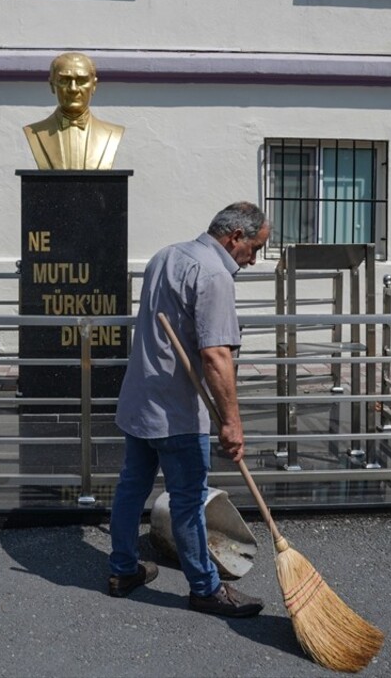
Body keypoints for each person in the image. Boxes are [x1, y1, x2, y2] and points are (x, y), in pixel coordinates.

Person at [107, 202, 270, 617]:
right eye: (255, 249)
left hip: (141, 398)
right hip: (178, 409)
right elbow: (216, 355)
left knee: (132, 486)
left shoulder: (167, 255)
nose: (253, 261)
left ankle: (123, 569)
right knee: (188, 500)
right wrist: (232, 423)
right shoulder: (214, 274)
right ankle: (205, 589)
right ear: (235, 237)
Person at [23, 52, 125, 170]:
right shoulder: (34, 133)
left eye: (81, 81)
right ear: (52, 85)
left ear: (94, 85)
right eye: (64, 80)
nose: (73, 89)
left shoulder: (111, 134)